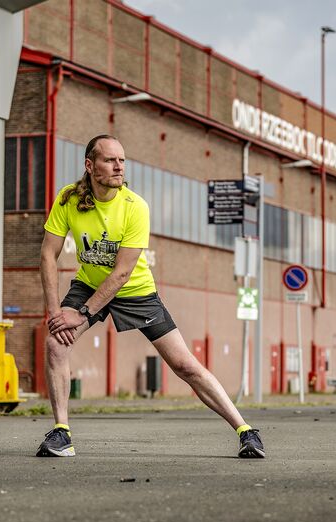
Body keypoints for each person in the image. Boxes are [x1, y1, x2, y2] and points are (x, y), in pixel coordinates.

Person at [36, 134, 265, 459]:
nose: (119, 166)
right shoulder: (68, 199)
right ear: (90, 165)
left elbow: (121, 274)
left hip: (135, 291)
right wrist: (55, 313)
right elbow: (48, 254)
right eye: (110, 160)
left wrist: (82, 314)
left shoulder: (135, 207)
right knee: (55, 343)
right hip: (89, 284)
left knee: (185, 365)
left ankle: (246, 431)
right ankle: (62, 433)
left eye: (122, 160)